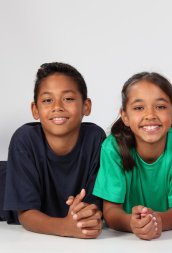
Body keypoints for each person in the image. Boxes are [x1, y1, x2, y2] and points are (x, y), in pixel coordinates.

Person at [3, 62, 105, 238]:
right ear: (35, 109)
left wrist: (82, 216)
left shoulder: (95, 139)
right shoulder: (24, 139)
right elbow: (26, 215)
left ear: (86, 106)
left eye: (68, 98)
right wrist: (65, 227)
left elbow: (93, 208)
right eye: (48, 100)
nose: (57, 106)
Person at [93, 72, 172, 240]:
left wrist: (156, 220)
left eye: (160, 107)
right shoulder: (112, 148)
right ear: (125, 116)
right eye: (139, 108)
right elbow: (110, 211)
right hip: (123, 243)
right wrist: (131, 223)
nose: (150, 115)